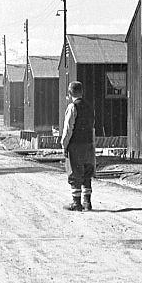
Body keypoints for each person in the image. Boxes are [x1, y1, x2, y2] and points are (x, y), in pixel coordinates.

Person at [60, 80, 96, 211]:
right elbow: (92, 127)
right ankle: (87, 202)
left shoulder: (72, 107)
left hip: (75, 145)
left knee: (75, 173)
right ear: (82, 92)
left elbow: (68, 129)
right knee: (87, 172)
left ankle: (76, 203)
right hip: (88, 144)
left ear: (70, 93)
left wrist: (64, 145)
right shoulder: (89, 107)